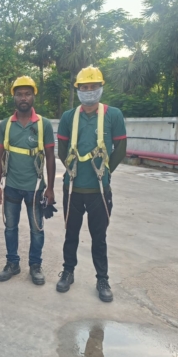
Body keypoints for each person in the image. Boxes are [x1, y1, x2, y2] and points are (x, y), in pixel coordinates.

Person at [56, 66, 127, 302]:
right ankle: (68, 271)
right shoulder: (68, 117)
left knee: (99, 236)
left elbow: (120, 149)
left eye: (93, 87)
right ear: (78, 90)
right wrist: (71, 170)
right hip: (73, 188)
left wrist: (105, 172)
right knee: (71, 234)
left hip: (99, 190)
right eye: (84, 87)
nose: (89, 91)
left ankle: (102, 279)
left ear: (101, 88)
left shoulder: (113, 115)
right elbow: (62, 150)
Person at [0, 76, 56, 285]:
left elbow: (50, 157)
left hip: (35, 188)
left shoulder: (44, 124)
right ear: (14, 97)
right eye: (19, 94)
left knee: (36, 229)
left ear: (33, 96)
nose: (23, 98)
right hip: (11, 186)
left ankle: (35, 265)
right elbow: (0, 156)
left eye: (27, 94)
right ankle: (12, 263)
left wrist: (50, 188)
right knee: (10, 228)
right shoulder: (6, 125)